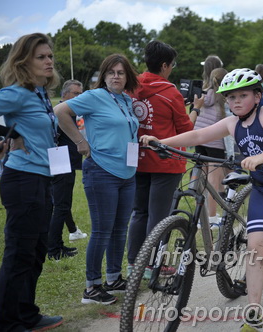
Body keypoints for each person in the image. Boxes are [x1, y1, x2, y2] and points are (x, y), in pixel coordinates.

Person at [140, 68, 263, 332]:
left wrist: (261, 157)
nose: (235, 101)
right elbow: (199, 136)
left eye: (242, 95)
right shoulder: (232, 123)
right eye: (230, 97)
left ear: (257, 96)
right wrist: (162, 141)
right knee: (255, 249)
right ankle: (254, 313)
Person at [0, 32, 64, 332]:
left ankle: (27, 314)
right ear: (24, 61)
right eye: (41, 57)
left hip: (42, 180)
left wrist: (16, 134)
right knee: (19, 253)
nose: (49, 62)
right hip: (23, 180)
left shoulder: (39, 92)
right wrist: (9, 138)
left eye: (50, 56)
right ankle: (7, 324)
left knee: (35, 252)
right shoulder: (16, 92)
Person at [54, 53, 140, 305]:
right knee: (102, 230)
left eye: (121, 72)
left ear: (127, 77)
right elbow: (60, 111)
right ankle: (91, 287)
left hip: (127, 172)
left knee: (119, 229)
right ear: (103, 76)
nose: (116, 76)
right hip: (102, 171)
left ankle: (113, 277)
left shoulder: (125, 99)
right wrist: (80, 142)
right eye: (111, 72)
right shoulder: (95, 96)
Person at [127, 41, 199, 279]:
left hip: (137, 158)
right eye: (172, 65)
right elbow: (185, 128)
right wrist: (195, 109)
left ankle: (133, 264)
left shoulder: (131, 86)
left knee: (139, 212)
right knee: (159, 216)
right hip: (165, 162)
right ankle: (151, 267)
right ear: (165, 65)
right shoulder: (171, 92)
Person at [47, 79, 88, 261]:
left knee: (63, 204)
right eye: (76, 94)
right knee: (62, 206)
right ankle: (54, 249)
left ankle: (60, 243)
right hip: (61, 164)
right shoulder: (60, 113)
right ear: (64, 95)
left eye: (81, 94)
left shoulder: (69, 112)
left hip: (65, 164)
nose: (79, 97)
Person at [193, 55, 227, 229]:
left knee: (203, 180)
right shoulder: (222, 93)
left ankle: (202, 217)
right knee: (215, 180)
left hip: (199, 136)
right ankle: (212, 218)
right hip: (214, 140)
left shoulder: (201, 92)